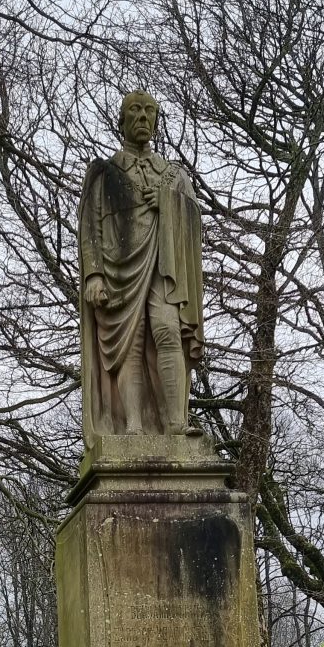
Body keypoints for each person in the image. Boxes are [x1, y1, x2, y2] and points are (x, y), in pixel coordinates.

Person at [78, 90, 204, 437]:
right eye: (135, 111)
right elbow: (89, 226)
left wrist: (168, 201)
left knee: (168, 331)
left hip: (164, 267)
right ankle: (133, 426)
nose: (143, 117)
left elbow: (193, 224)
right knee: (129, 345)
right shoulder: (104, 173)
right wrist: (93, 274)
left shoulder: (173, 176)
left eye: (150, 112)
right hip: (118, 272)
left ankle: (176, 424)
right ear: (121, 121)